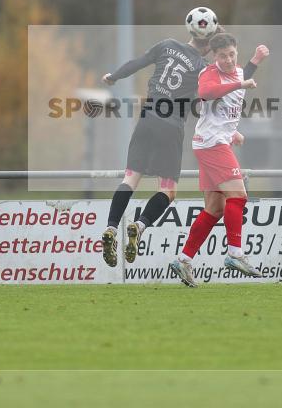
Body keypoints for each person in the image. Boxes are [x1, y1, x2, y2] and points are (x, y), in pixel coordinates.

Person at [100, 19, 266, 268]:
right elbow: (216, 95)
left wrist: (113, 77)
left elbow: (136, 63)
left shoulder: (166, 46)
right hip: (171, 127)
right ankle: (141, 225)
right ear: (210, 46)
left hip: (146, 120)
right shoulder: (203, 68)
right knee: (168, 189)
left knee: (130, 179)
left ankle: (112, 227)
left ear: (190, 30)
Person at [170, 33, 269, 287]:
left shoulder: (237, 71)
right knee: (239, 196)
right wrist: (240, 85)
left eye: (231, 54)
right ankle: (235, 253)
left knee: (215, 209)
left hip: (214, 142)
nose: (227, 60)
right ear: (214, 57)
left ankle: (183, 259)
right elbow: (207, 93)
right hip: (212, 145)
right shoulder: (210, 74)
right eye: (222, 56)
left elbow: (237, 87)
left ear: (236, 52)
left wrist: (255, 60)